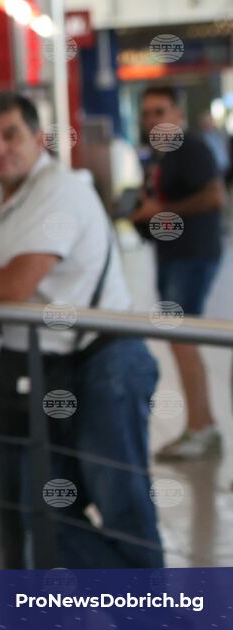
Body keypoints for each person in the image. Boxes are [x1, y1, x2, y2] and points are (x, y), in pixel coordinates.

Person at [0, 92, 163, 568]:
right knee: (45, 513)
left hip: (106, 363)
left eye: (11, 135)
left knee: (121, 506)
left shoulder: (61, 190)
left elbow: (14, 283)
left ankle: (148, 603)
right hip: (44, 368)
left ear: (39, 138)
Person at [131, 86, 226, 461]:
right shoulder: (161, 155)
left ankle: (200, 428)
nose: (152, 120)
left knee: (182, 338)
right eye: (147, 113)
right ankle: (202, 424)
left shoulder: (191, 148)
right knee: (179, 339)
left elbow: (214, 196)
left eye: (160, 111)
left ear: (178, 114)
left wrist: (161, 211)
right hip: (171, 255)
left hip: (192, 254)